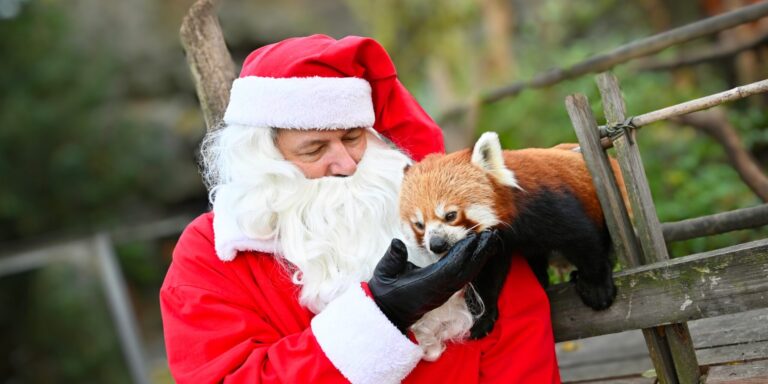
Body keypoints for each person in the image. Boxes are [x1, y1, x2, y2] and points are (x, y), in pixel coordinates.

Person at [160, 34, 561, 384]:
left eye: (353, 138)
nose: (347, 164)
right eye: (315, 149)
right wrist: (380, 318)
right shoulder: (208, 257)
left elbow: (519, 343)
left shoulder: (445, 214)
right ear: (262, 158)